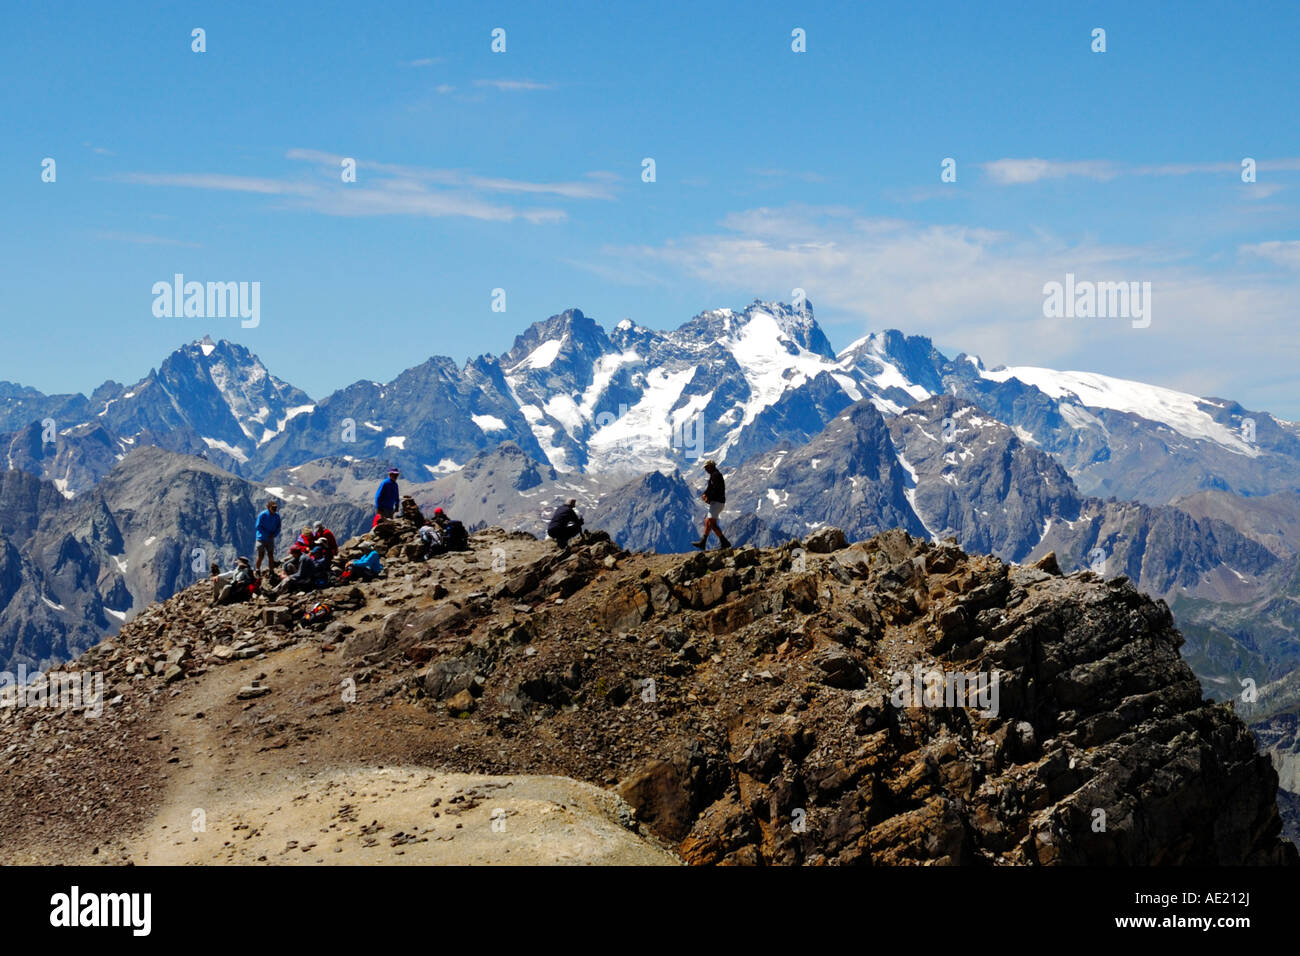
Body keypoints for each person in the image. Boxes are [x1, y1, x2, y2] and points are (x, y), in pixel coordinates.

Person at [693, 459, 731, 550]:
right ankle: (703, 542)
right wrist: (705, 494)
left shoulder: (716, 475)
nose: (705, 469)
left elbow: (715, 490)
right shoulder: (713, 475)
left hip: (717, 502)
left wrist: (708, 497)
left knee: (711, 523)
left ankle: (724, 542)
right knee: (707, 521)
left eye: (706, 467)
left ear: (711, 466)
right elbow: (710, 488)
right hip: (717, 502)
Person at [255, 499, 281, 573]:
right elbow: (258, 526)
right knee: (261, 556)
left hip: (270, 538)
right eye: (273, 508)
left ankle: (271, 570)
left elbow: (278, 527)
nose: (274, 510)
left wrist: (274, 534)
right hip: (261, 538)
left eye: (275, 508)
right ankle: (257, 570)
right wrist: (267, 534)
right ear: (269, 507)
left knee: (271, 555)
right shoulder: (262, 514)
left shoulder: (277, 516)